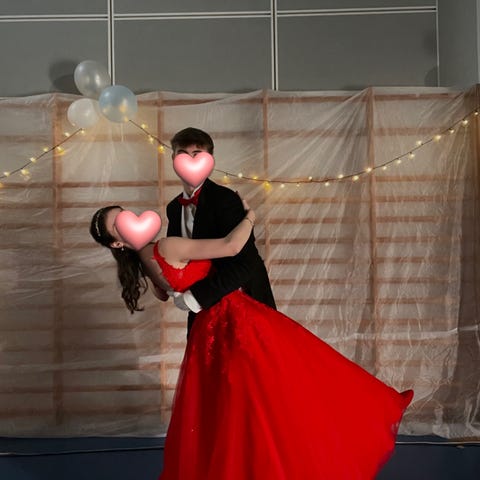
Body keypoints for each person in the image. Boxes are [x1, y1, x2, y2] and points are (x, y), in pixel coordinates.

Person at [90, 203, 413, 480]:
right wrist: (250, 217)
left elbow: (167, 292)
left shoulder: (144, 263)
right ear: (118, 242)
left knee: (238, 407)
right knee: (283, 390)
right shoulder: (166, 247)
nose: (128, 220)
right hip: (236, 320)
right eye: (119, 224)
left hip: (207, 331)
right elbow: (231, 247)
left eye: (125, 214)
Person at [166, 127, 276, 334]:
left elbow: (246, 263)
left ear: (210, 160)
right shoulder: (173, 208)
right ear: (173, 158)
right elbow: (176, 259)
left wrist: (195, 297)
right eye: (182, 154)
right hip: (203, 312)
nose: (189, 159)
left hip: (242, 305)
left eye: (196, 154)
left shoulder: (225, 199)